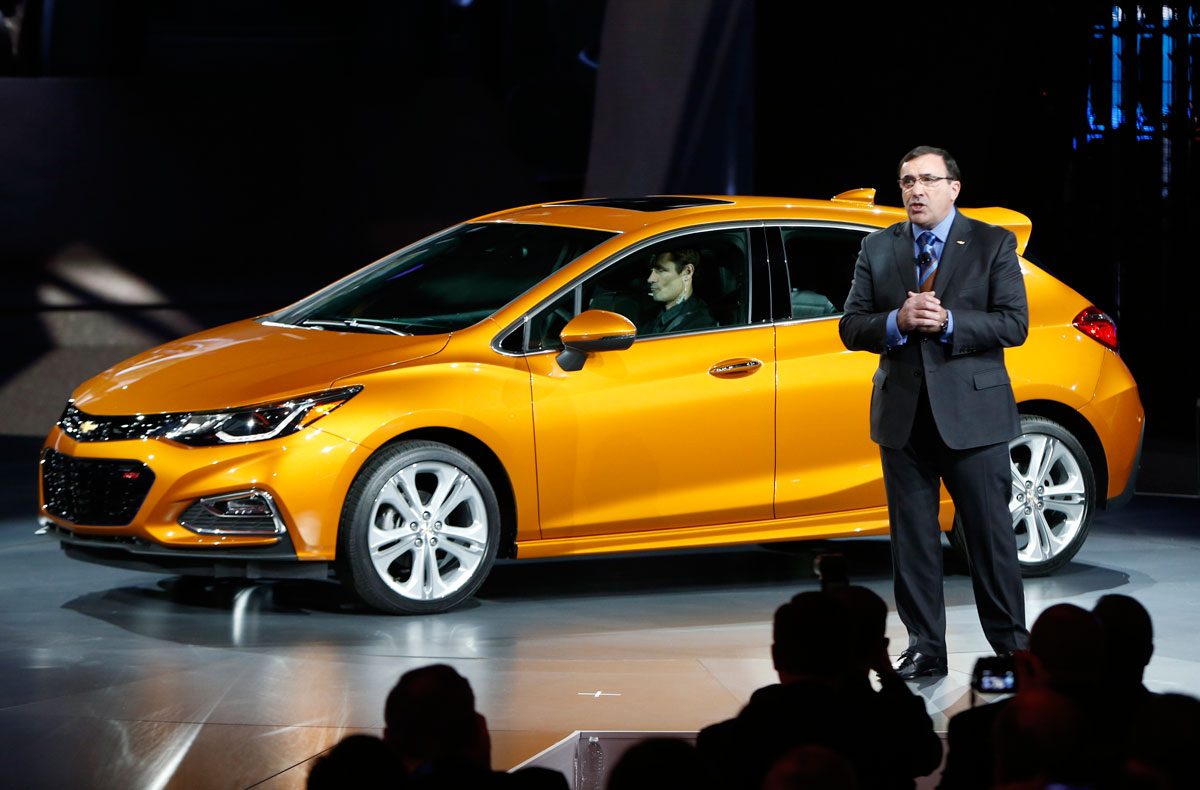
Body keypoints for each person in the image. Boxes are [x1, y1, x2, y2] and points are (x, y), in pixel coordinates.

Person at [839, 145, 1030, 679]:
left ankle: (1013, 651)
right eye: (905, 182)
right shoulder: (878, 247)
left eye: (926, 180)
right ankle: (925, 647)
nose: (915, 191)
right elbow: (852, 325)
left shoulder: (992, 243)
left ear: (954, 188)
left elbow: (1013, 324)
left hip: (974, 417)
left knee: (990, 542)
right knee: (913, 543)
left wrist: (948, 322)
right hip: (903, 417)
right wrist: (897, 319)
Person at [642, 248, 715, 335]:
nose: (650, 279)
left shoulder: (700, 326)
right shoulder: (652, 314)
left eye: (660, 270)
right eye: (652, 271)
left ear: (687, 272)